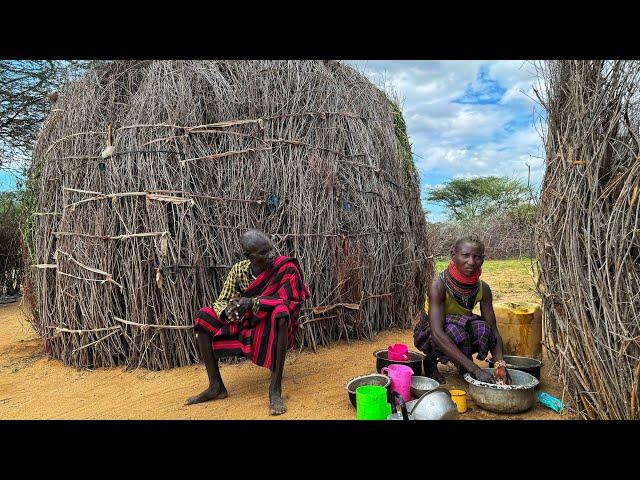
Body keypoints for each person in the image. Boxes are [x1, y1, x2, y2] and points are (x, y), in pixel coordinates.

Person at [186, 229, 310, 415]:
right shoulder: (239, 270)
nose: (271, 255)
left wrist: (253, 302)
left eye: (271, 249)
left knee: (281, 313)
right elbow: (221, 300)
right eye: (263, 252)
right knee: (204, 315)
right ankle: (216, 386)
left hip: (269, 324)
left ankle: (274, 390)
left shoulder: (285, 267)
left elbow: (290, 301)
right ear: (248, 256)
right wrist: (227, 311)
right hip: (244, 323)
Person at [413, 236, 510, 385]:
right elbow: (437, 333)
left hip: (460, 327)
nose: (471, 262)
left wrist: (500, 364)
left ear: (483, 259)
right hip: (431, 333)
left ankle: (462, 362)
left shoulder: (483, 288)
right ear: (453, 255)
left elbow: (493, 329)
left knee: (483, 328)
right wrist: (475, 369)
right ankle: (431, 361)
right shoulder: (438, 286)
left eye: (477, 257)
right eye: (465, 255)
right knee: (454, 330)